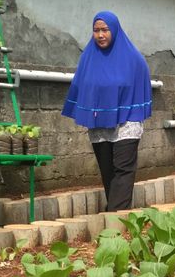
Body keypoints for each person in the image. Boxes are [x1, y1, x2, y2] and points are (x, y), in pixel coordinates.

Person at [62, 11, 152, 212]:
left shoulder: (133, 58)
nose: (100, 35)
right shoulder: (88, 57)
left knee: (123, 169)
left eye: (105, 30)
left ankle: (114, 217)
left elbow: (140, 80)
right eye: (96, 30)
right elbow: (80, 84)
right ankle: (116, 212)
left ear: (115, 30)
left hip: (126, 123)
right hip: (100, 123)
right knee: (107, 170)